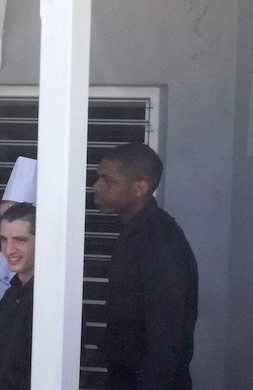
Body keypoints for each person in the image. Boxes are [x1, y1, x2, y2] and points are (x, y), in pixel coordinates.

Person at [93, 143, 197, 389]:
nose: (96, 187)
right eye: (98, 178)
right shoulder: (135, 233)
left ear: (140, 187)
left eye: (108, 180)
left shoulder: (160, 243)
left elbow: (166, 338)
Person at [0, 203, 36, 390]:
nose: (9, 250)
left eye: (20, 240)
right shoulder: (10, 295)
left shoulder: (51, 300)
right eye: (4, 240)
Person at [0, 156, 37, 316]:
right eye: (3, 216)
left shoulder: (48, 293)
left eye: (20, 239)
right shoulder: (3, 257)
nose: (9, 249)